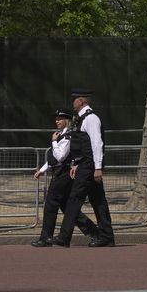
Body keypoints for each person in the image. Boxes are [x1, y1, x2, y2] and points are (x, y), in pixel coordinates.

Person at [52, 89, 115, 247]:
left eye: (74, 100)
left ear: (81, 101)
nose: (72, 103)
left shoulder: (91, 119)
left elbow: (96, 143)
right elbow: (84, 146)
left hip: (90, 166)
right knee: (98, 201)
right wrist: (77, 163)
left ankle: (64, 237)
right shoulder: (82, 119)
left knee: (74, 199)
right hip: (86, 165)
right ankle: (107, 237)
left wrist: (98, 168)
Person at [30, 107, 98, 247]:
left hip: (64, 175)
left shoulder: (68, 136)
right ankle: (94, 232)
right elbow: (53, 159)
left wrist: (54, 142)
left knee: (51, 204)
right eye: (56, 119)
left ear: (67, 120)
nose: (57, 121)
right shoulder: (61, 134)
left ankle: (46, 237)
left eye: (60, 119)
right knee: (68, 208)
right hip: (60, 173)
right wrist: (42, 170)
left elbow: (60, 156)